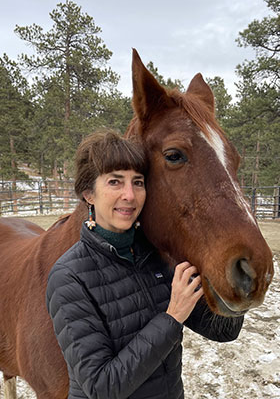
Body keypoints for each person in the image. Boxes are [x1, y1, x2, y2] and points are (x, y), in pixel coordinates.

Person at [46, 131, 244, 399]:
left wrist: (234, 278)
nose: (130, 195)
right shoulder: (69, 278)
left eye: (137, 182)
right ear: (88, 194)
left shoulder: (159, 256)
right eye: (115, 182)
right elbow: (101, 388)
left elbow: (223, 330)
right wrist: (172, 317)